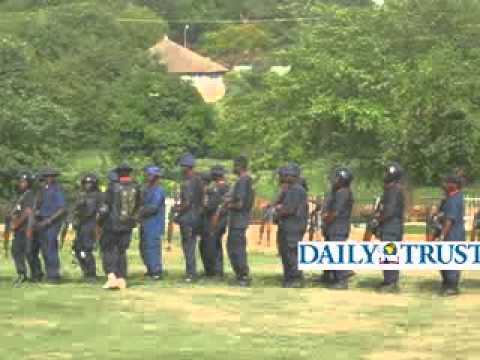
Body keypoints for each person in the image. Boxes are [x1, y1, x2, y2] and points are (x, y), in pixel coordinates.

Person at [101, 164, 140, 290]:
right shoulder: (136, 186)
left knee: (108, 249)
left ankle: (112, 277)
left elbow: (105, 207)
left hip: (112, 224)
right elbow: (139, 206)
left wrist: (99, 220)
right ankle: (122, 278)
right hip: (128, 224)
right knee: (122, 251)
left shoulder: (113, 187)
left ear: (118, 174)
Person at [320, 167, 354, 289]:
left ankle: (342, 279)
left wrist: (326, 218)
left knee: (336, 253)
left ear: (342, 180)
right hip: (334, 228)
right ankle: (333, 276)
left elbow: (336, 212)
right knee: (332, 253)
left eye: (337, 178)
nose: (334, 180)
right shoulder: (339, 192)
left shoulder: (343, 192)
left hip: (338, 227)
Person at [275, 163, 308, 288]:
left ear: (291, 176)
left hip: (293, 227)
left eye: (284, 175)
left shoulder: (296, 189)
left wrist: (278, 209)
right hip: (288, 226)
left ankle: (295, 279)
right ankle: (289, 277)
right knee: (286, 252)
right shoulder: (290, 189)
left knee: (292, 253)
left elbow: (289, 209)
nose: (281, 177)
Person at [31, 168, 67, 283]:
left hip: (52, 222)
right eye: (46, 176)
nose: (48, 178)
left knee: (51, 248)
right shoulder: (42, 190)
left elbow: (62, 209)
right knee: (45, 249)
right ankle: (49, 273)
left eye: (51, 176)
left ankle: (54, 275)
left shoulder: (57, 190)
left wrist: (49, 220)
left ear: (54, 177)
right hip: (41, 221)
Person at [227, 156, 254, 287]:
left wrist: (228, 204)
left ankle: (243, 276)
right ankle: (240, 275)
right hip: (238, 220)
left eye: (235, 165)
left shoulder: (243, 181)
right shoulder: (245, 180)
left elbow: (240, 204)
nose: (233, 168)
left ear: (239, 166)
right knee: (234, 248)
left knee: (236, 249)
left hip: (239, 220)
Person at [377, 163, 405, 293]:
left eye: (386, 173)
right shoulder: (391, 189)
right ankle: (389, 280)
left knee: (390, 254)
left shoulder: (395, 190)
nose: (384, 175)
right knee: (387, 253)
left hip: (391, 227)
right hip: (389, 227)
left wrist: (378, 220)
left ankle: (391, 282)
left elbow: (389, 211)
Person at [176, 153, 204, 283]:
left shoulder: (188, 182)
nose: (181, 169)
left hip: (188, 218)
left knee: (188, 246)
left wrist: (177, 210)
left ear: (187, 167)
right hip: (196, 217)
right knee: (191, 245)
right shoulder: (199, 180)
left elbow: (187, 202)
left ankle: (191, 274)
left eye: (182, 166)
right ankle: (192, 272)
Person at [437, 174, 465, 296]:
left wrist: (442, 235)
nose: (444, 185)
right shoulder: (452, 197)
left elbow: (449, 220)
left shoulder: (454, 199)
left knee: (451, 260)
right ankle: (447, 283)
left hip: (453, 235)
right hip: (453, 234)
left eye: (446, 182)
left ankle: (452, 287)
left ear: (453, 185)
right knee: (445, 260)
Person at [72, 173, 103, 282]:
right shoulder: (81, 195)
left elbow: (102, 211)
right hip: (80, 224)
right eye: (86, 183)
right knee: (77, 248)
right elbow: (75, 210)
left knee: (87, 249)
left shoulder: (98, 196)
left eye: (90, 183)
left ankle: (91, 273)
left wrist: (98, 224)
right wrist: (74, 220)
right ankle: (85, 271)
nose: (88, 185)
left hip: (91, 224)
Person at [139, 166, 166, 280]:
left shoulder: (158, 190)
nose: (147, 177)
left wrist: (140, 211)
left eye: (150, 175)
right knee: (144, 246)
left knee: (153, 246)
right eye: (147, 174)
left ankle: (156, 271)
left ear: (155, 177)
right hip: (145, 222)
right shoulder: (146, 189)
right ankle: (150, 269)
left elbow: (153, 207)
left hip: (154, 223)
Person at [9, 172, 36, 286]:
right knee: (16, 251)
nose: (21, 183)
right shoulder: (22, 194)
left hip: (25, 228)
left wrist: (17, 224)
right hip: (19, 229)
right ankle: (23, 274)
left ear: (28, 183)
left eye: (23, 182)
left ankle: (30, 274)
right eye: (20, 181)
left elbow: (27, 212)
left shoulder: (29, 194)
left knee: (22, 252)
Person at [204, 165, 230, 277]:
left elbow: (211, 205)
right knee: (216, 244)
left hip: (216, 218)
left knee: (212, 245)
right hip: (222, 219)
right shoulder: (227, 187)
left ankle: (215, 271)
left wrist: (205, 205)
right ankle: (218, 271)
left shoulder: (218, 188)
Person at [199, 171, 214, 276]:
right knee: (203, 246)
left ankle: (211, 271)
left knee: (208, 248)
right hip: (205, 224)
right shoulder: (204, 193)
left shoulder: (209, 193)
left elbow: (207, 207)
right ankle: (208, 270)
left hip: (209, 224)